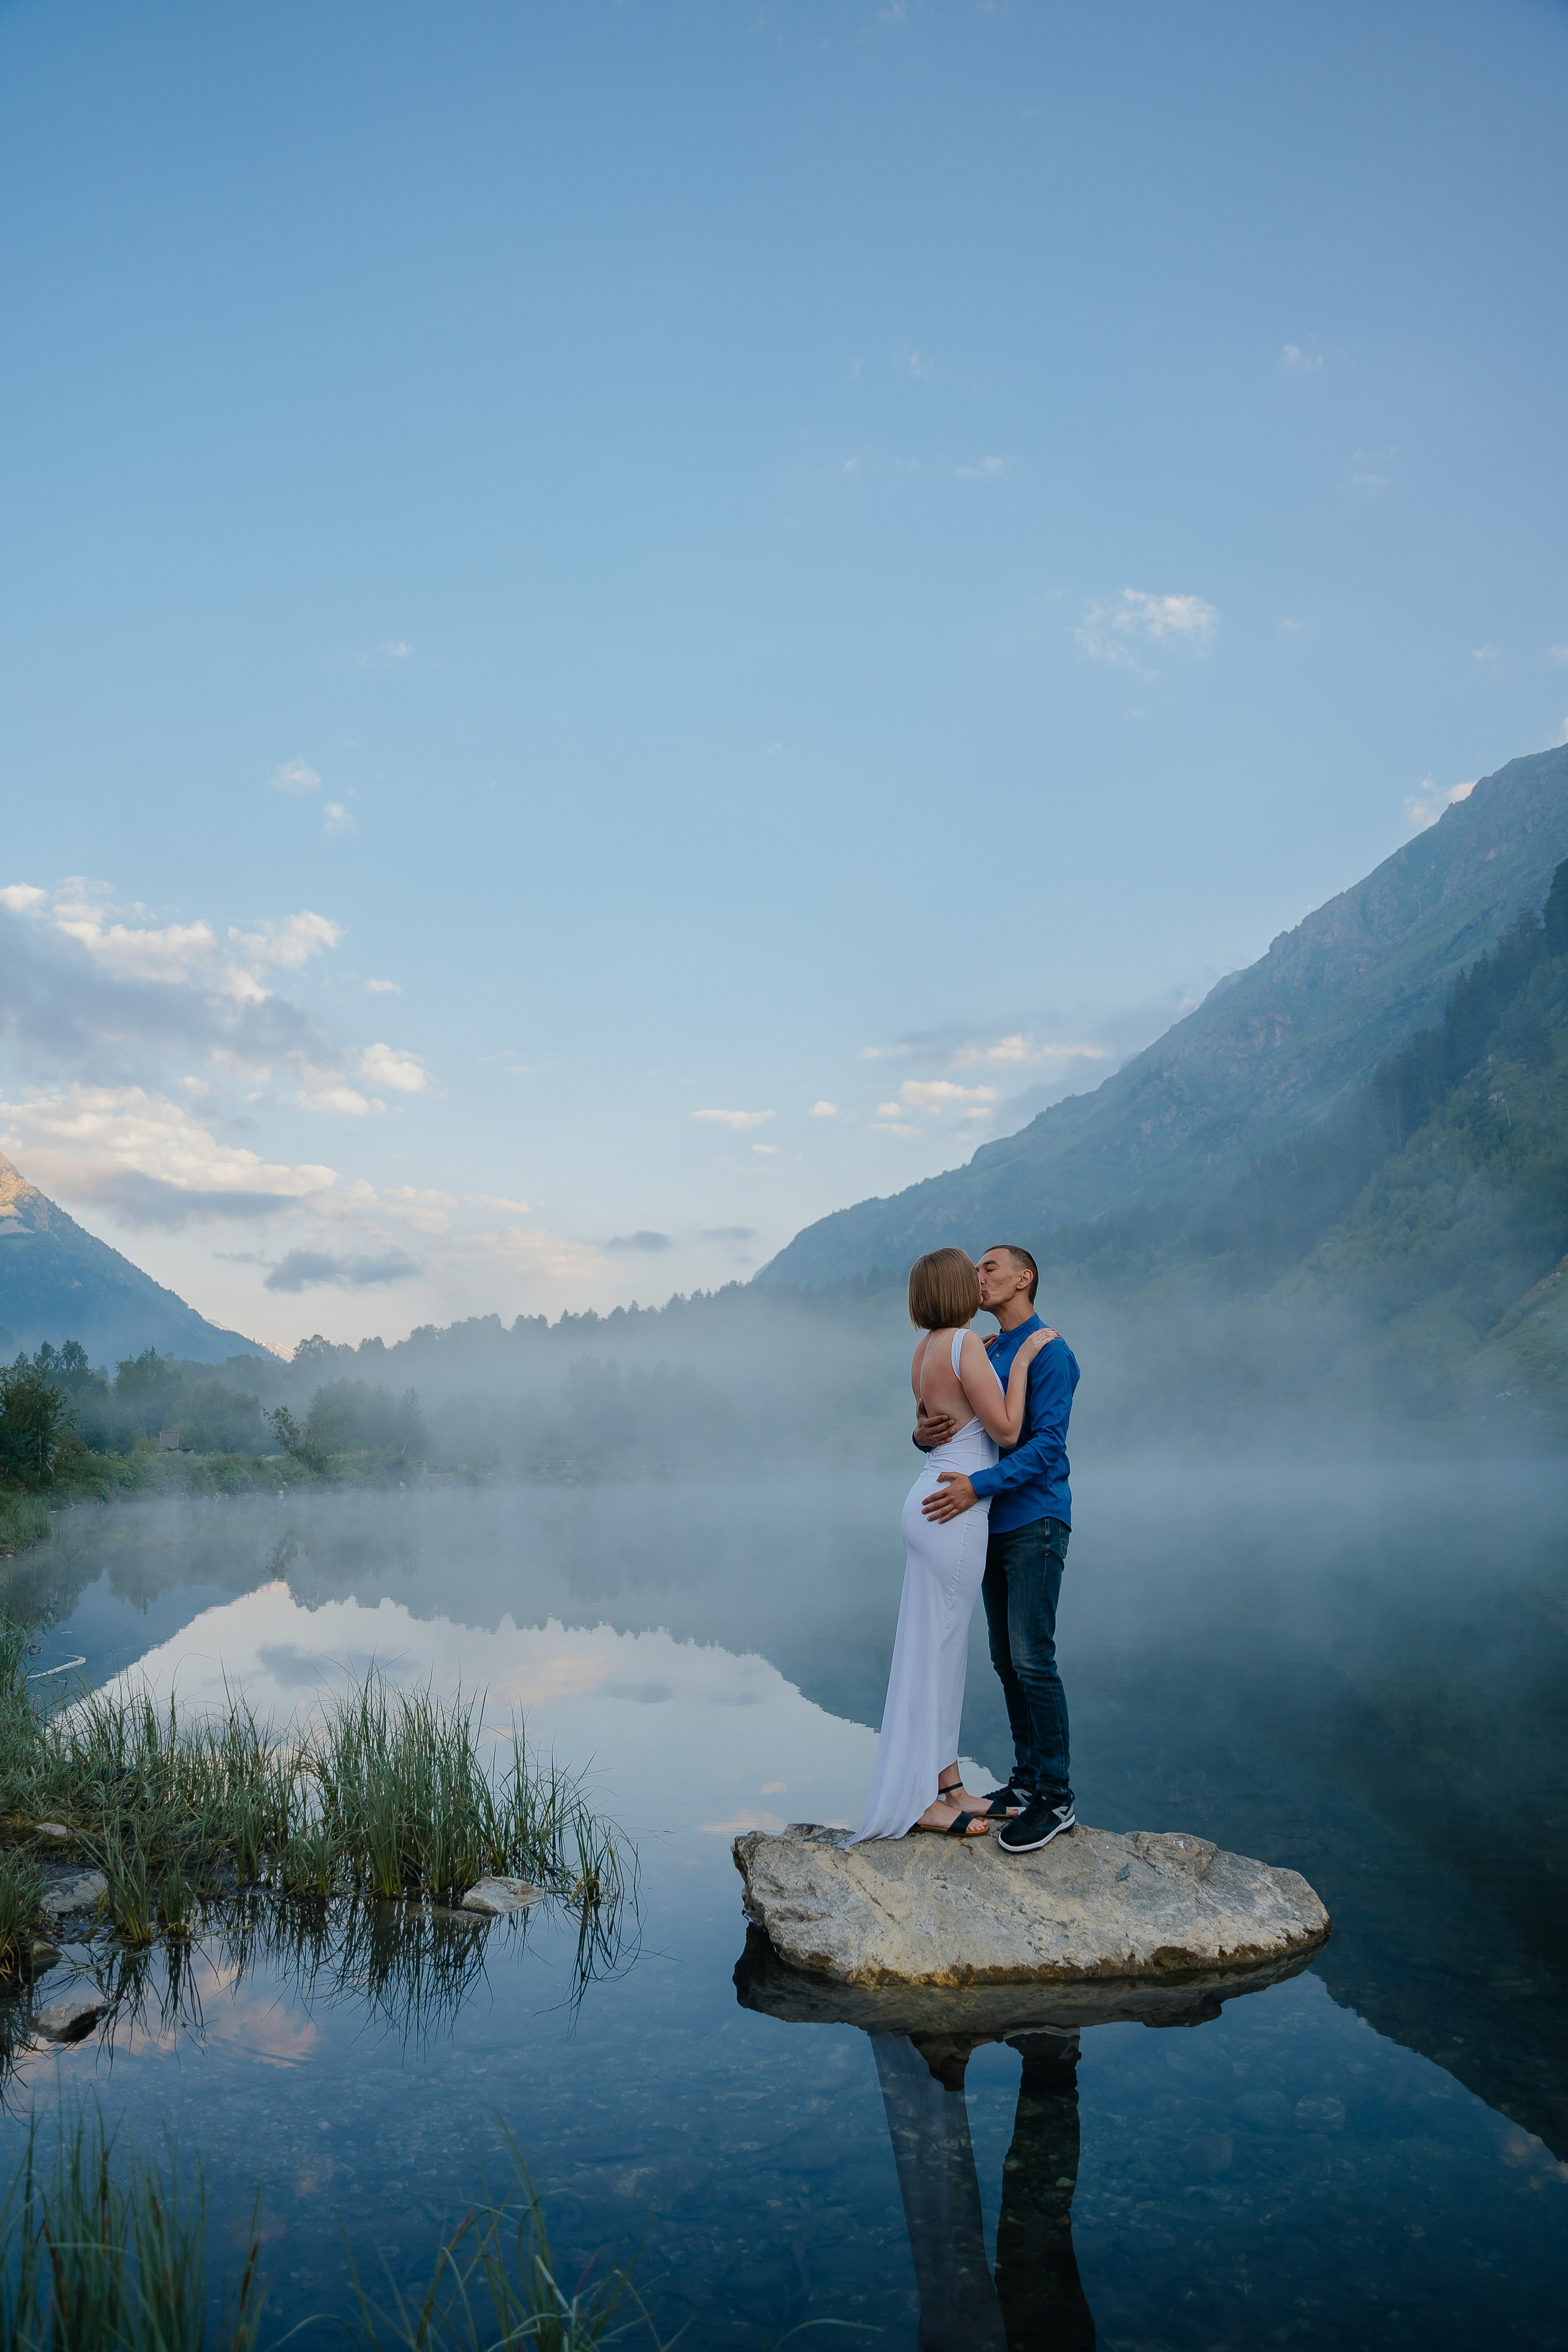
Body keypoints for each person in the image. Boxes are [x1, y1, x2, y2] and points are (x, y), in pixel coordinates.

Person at [853, 1247, 1050, 1842]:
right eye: (972, 1274)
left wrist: (987, 1364)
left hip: (926, 1498)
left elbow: (940, 1419)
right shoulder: (964, 1345)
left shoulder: (927, 1347)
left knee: (938, 1652)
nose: (979, 1280)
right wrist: (1023, 1362)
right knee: (938, 1656)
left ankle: (948, 1785)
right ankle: (925, 1800)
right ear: (952, 1289)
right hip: (955, 1508)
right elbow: (1009, 1431)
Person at [916, 1243, 1080, 1855]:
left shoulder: (1051, 1352)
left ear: (1023, 1278)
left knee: (1033, 1657)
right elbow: (958, 1425)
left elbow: (1044, 1447)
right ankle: (1027, 1781)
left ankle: (1057, 1796)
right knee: (1005, 1660)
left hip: (1034, 1520)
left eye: (990, 1267)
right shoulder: (983, 1349)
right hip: (985, 1523)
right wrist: (921, 1433)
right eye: (975, 1269)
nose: (977, 1277)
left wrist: (977, 1486)